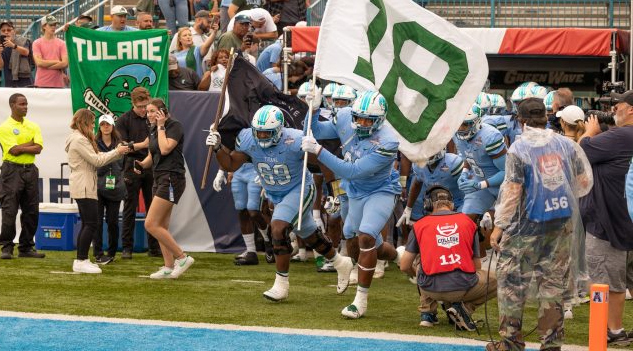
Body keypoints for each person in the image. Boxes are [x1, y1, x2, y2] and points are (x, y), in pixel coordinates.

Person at [207, 104, 355, 300]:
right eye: (258, 133)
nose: (261, 137)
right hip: (275, 193)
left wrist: (333, 192)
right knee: (309, 234)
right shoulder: (248, 138)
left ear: (279, 130)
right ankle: (339, 262)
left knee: (278, 228)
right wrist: (218, 148)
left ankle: (281, 284)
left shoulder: (293, 139)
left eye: (266, 133)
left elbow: (322, 160)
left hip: (299, 189)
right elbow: (231, 163)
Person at [488, 98, 593, 351]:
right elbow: (582, 182)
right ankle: (551, 344)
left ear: (520, 120)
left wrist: (499, 226)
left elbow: (512, 191)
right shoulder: (565, 145)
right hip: (559, 226)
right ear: (546, 117)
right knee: (553, 286)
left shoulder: (518, 149)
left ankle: (511, 343)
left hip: (524, 228)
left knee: (513, 285)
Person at [303, 89, 403, 319]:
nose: (363, 123)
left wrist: (318, 151)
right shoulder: (347, 115)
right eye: (360, 117)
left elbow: (354, 171)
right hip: (354, 191)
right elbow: (316, 131)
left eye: (369, 119)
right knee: (362, 241)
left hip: (379, 190)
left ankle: (360, 300)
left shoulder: (387, 141)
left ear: (380, 120)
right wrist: (314, 110)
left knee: (366, 235)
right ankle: (399, 256)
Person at [578, 89, 633, 345]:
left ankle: (613, 331)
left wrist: (589, 131)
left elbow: (581, 152)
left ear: (630, 109)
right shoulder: (620, 136)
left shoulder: (621, 136)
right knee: (621, 277)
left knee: (606, 280)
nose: (614, 111)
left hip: (609, 223)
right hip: (625, 218)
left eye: (617, 106)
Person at [399, 185, 496, 330]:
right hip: (462, 287)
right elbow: (477, 267)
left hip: (429, 287)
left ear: (427, 205)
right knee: (498, 280)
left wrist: (418, 277)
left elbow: (404, 266)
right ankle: (463, 309)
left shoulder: (419, 225)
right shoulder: (468, 223)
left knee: (422, 263)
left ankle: (427, 313)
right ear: (451, 204)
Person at [135, 98, 195, 279]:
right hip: (159, 177)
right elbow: (152, 155)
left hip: (171, 178)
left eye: (153, 111)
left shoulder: (173, 126)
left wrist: (161, 126)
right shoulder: (154, 128)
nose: (149, 114)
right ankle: (168, 266)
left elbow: (166, 148)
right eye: (148, 111)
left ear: (163, 112)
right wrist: (139, 164)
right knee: (161, 225)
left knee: (151, 223)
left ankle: (182, 258)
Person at [65, 109, 128, 274]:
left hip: (85, 182)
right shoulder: (79, 140)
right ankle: (81, 260)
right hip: (84, 183)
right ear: (85, 122)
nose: (94, 126)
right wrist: (117, 152)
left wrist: (117, 152)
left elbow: (98, 156)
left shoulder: (80, 138)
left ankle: (82, 259)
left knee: (88, 223)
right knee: (91, 223)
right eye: (93, 123)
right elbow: (97, 160)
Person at [0, 93, 45, 260]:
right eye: (22, 104)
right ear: (12, 105)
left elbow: (38, 148)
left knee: (32, 211)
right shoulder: (5, 127)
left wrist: (22, 146)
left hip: (30, 170)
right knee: (9, 210)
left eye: (26, 104)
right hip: (12, 171)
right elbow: (13, 151)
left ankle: (26, 247)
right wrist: (29, 144)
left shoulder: (33, 126)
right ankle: (6, 247)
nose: (25, 107)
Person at [116, 87, 162, 259]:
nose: (144, 110)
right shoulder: (123, 120)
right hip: (131, 165)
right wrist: (142, 145)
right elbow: (122, 147)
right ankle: (127, 248)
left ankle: (154, 247)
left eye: (146, 106)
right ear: (132, 103)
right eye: (140, 106)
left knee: (154, 209)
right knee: (129, 208)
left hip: (153, 165)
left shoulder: (154, 118)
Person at [454, 103, 507, 221]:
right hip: (480, 184)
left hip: (502, 187)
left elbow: (507, 172)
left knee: (502, 225)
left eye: (465, 124)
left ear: (476, 122)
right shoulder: (456, 135)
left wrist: (480, 185)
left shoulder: (490, 137)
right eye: (458, 123)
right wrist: (465, 172)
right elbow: (468, 156)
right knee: (465, 220)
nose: (460, 128)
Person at [93, 114, 126, 265]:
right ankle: (98, 253)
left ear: (113, 126)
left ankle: (111, 253)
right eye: (103, 124)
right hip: (97, 188)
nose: (105, 127)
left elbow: (126, 163)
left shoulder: (121, 144)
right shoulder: (92, 143)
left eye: (108, 124)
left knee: (112, 222)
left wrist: (123, 176)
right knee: (97, 222)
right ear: (99, 127)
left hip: (116, 188)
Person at [32, 15, 68, 88]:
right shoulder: (37, 42)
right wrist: (57, 61)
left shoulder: (62, 43)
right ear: (44, 26)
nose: (53, 27)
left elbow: (65, 64)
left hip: (57, 84)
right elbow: (39, 63)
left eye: (54, 25)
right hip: (41, 83)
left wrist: (45, 65)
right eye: (51, 25)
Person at [0, 20, 33, 88]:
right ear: (0, 33)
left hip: (25, 81)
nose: (6, 32)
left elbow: (26, 52)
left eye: (9, 30)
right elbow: (0, 66)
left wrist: (13, 46)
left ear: (14, 31)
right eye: (3, 30)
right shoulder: (0, 47)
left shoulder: (23, 41)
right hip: (9, 82)